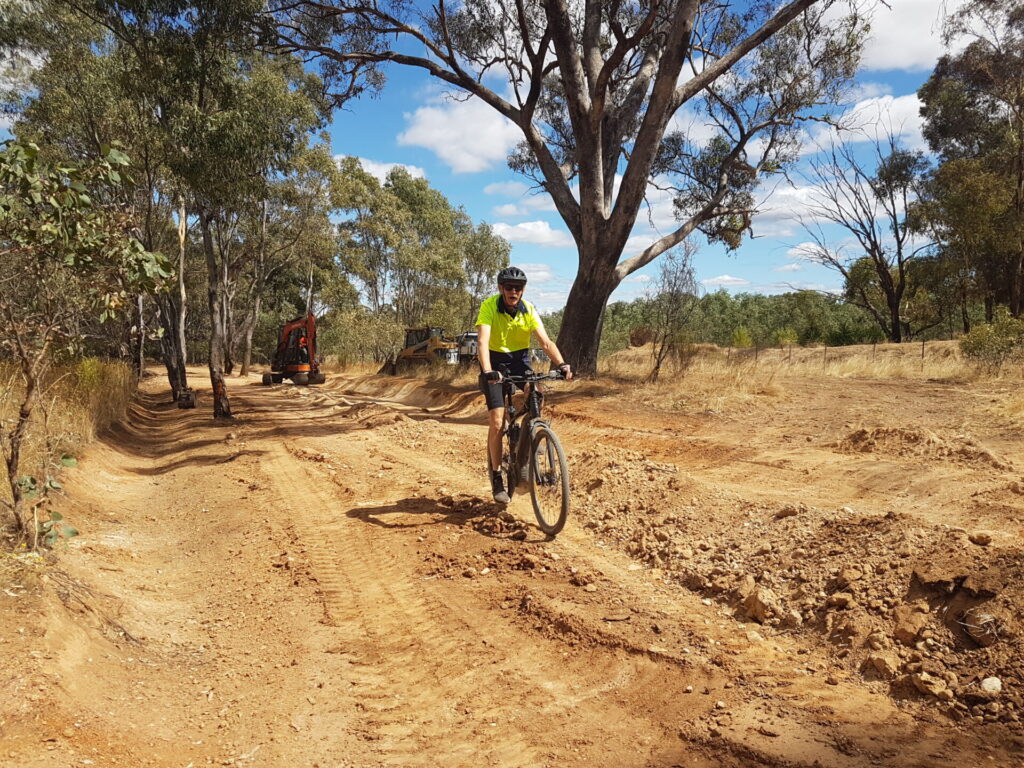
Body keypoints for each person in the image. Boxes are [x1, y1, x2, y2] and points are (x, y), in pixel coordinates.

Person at [476, 266, 573, 503]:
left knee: (536, 394)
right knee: (498, 421)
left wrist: (562, 364)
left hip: (520, 361)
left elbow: (546, 342)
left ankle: (524, 444)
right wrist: (488, 371)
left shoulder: (528, 309)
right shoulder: (489, 306)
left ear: (523, 290)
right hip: (494, 363)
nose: (513, 291)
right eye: (508, 287)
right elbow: (482, 341)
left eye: (518, 288)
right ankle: (498, 476)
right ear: (501, 288)